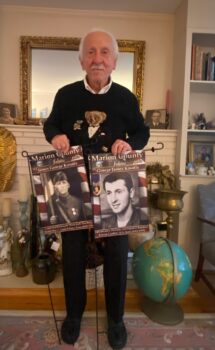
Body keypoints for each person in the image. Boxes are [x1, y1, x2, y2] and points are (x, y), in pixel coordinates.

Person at [43, 29, 150, 349]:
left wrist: (129, 144)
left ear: (114, 62)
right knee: (73, 253)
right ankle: (74, 314)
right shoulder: (65, 95)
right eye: (91, 52)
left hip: (115, 188)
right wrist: (55, 137)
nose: (97, 58)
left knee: (117, 255)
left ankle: (116, 319)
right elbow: (50, 124)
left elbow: (143, 132)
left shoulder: (126, 98)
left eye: (104, 52)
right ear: (81, 60)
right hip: (74, 187)